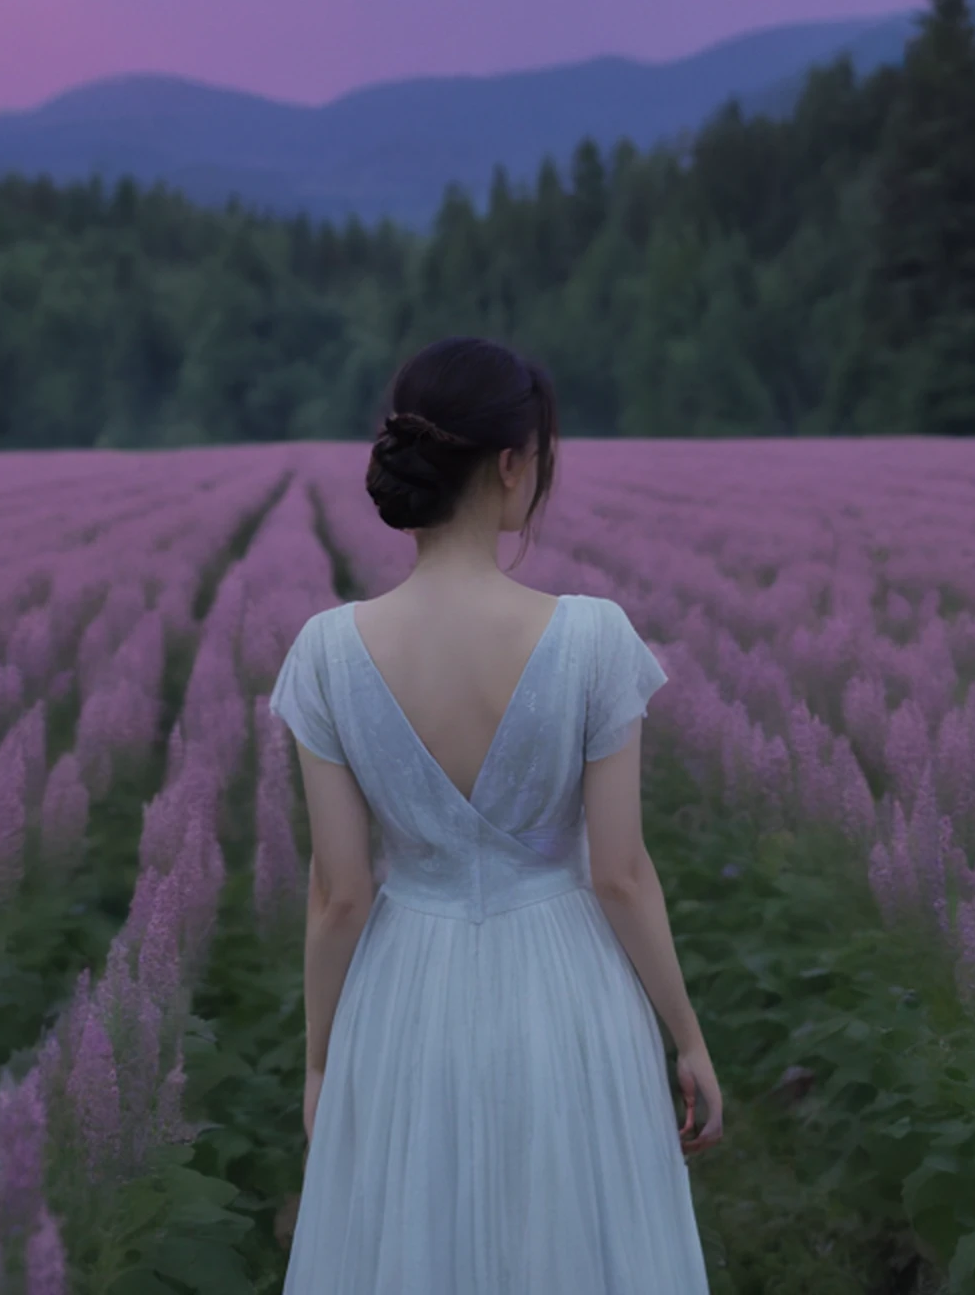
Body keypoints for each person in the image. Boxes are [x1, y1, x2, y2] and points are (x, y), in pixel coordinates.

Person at [267, 335, 722, 1294]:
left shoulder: (325, 654)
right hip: (566, 985)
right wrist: (685, 1035)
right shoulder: (593, 639)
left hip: (406, 995)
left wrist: (321, 1063)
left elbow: (340, 895)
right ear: (512, 465)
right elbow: (619, 874)